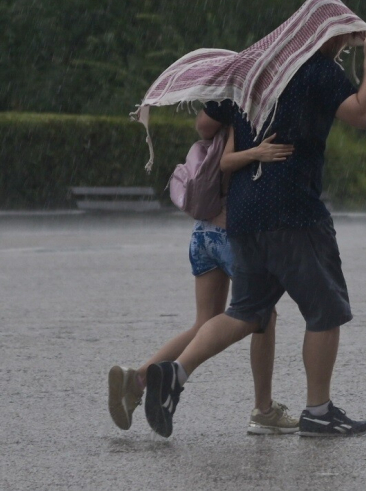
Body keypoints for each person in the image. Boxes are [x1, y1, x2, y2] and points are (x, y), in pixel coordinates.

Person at [142, 12, 366, 438]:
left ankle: (175, 375)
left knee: (245, 313)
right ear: (324, 36)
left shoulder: (253, 70)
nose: (343, 47)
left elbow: (205, 124)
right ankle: (319, 412)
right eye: (342, 39)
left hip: (243, 212)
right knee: (324, 310)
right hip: (294, 211)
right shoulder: (317, 71)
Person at [107, 110, 299, 434]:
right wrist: (260, 153)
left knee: (204, 322)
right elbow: (229, 163)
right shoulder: (247, 114)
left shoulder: (217, 120)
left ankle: (138, 379)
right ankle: (264, 410)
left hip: (202, 233)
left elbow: (212, 142)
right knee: (263, 313)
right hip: (229, 235)